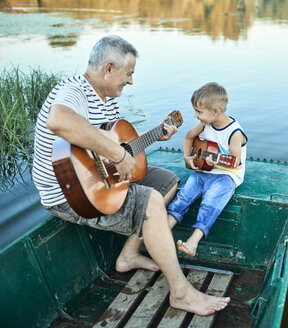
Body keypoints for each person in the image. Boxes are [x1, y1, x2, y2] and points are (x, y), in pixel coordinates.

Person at [31, 36, 229, 315]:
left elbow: (118, 143)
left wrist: (150, 138)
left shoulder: (108, 100)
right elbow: (59, 120)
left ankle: (129, 255)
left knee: (167, 182)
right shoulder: (74, 91)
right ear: (109, 68)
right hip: (72, 195)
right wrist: (117, 154)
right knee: (150, 201)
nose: (131, 81)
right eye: (129, 73)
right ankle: (181, 293)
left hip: (99, 181)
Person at [167, 82, 248, 257]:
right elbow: (189, 137)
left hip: (227, 175)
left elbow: (235, 161)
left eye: (199, 112)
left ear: (216, 111)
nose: (196, 116)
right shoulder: (206, 124)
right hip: (204, 171)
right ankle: (163, 233)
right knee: (183, 196)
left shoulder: (235, 132)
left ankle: (193, 242)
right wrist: (187, 157)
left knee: (210, 202)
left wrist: (216, 162)